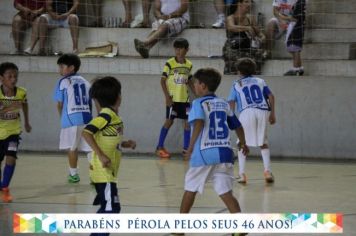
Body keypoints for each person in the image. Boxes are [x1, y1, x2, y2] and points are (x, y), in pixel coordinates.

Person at [177, 68, 249, 232]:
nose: (194, 86)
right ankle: (240, 226)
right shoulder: (224, 103)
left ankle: (179, 227)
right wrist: (243, 144)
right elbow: (237, 126)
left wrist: (189, 148)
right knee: (225, 192)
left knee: (190, 188)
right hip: (225, 154)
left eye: (195, 83)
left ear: (202, 85)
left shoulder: (198, 103)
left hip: (204, 154)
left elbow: (200, 123)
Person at [82, 77, 136, 236]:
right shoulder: (106, 116)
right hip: (102, 171)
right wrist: (101, 155)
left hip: (109, 173)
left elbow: (109, 139)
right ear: (118, 97)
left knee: (112, 208)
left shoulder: (113, 116)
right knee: (110, 209)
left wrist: (125, 144)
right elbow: (86, 132)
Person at [227, 58, 275, 184]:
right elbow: (271, 96)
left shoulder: (236, 84)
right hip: (263, 111)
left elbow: (231, 101)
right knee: (263, 142)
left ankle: (242, 174)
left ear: (238, 71)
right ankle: (267, 172)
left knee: (242, 143)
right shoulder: (260, 81)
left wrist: (231, 116)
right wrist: (273, 113)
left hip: (247, 112)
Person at [53, 54, 92, 183]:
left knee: (72, 147)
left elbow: (59, 104)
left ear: (71, 68)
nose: (59, 69)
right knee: (90, 149)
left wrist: (62, 118)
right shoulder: (86, 81)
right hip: (87, 119)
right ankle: (95, 177)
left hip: (71, 120)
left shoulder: (63, 81)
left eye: (62, 66)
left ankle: (73, 175)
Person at [155, 38, 193, 158]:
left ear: (186, 50)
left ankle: (186, 149)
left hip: (185, 100)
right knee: (169, 122)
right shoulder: (170, 63)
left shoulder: (189, 65)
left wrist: (197, 96)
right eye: (176, 48)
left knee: (188, 123)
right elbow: (162, 81)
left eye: (181, 48)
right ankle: (159, 147)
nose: (178, 51)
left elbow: (190, 80)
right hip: (173, 100)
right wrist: (167, 97)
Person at [0, 62, 32, 203]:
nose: (13, 79)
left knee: (11, 158)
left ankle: (5, 188)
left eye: (15, 76)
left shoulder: (21, 92)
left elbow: (24, 105)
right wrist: (10, 107)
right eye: (10, 76)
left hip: (13, 132)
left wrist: (26, 122)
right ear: (1, 78)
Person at [223, 0, 266, 75]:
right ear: (239, 3)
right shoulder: (231, 17)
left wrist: (262, 38)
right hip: (234, 48)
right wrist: (247, 28)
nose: (249, 4)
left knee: (259, 54)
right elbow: (231, 27)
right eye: (246, 2)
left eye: (250, 2)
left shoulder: (250, 18)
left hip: (248, 48)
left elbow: (259, 33)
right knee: (234, 59)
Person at [266, 0, 306, 75]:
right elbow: (275, 12)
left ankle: (296, 68)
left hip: (295, 23)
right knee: (293, 46)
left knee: (293, 45)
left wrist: (289, 20)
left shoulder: (300, 2)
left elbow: (296, 17)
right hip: (286, 20)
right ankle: (298, 68)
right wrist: (282, 21)